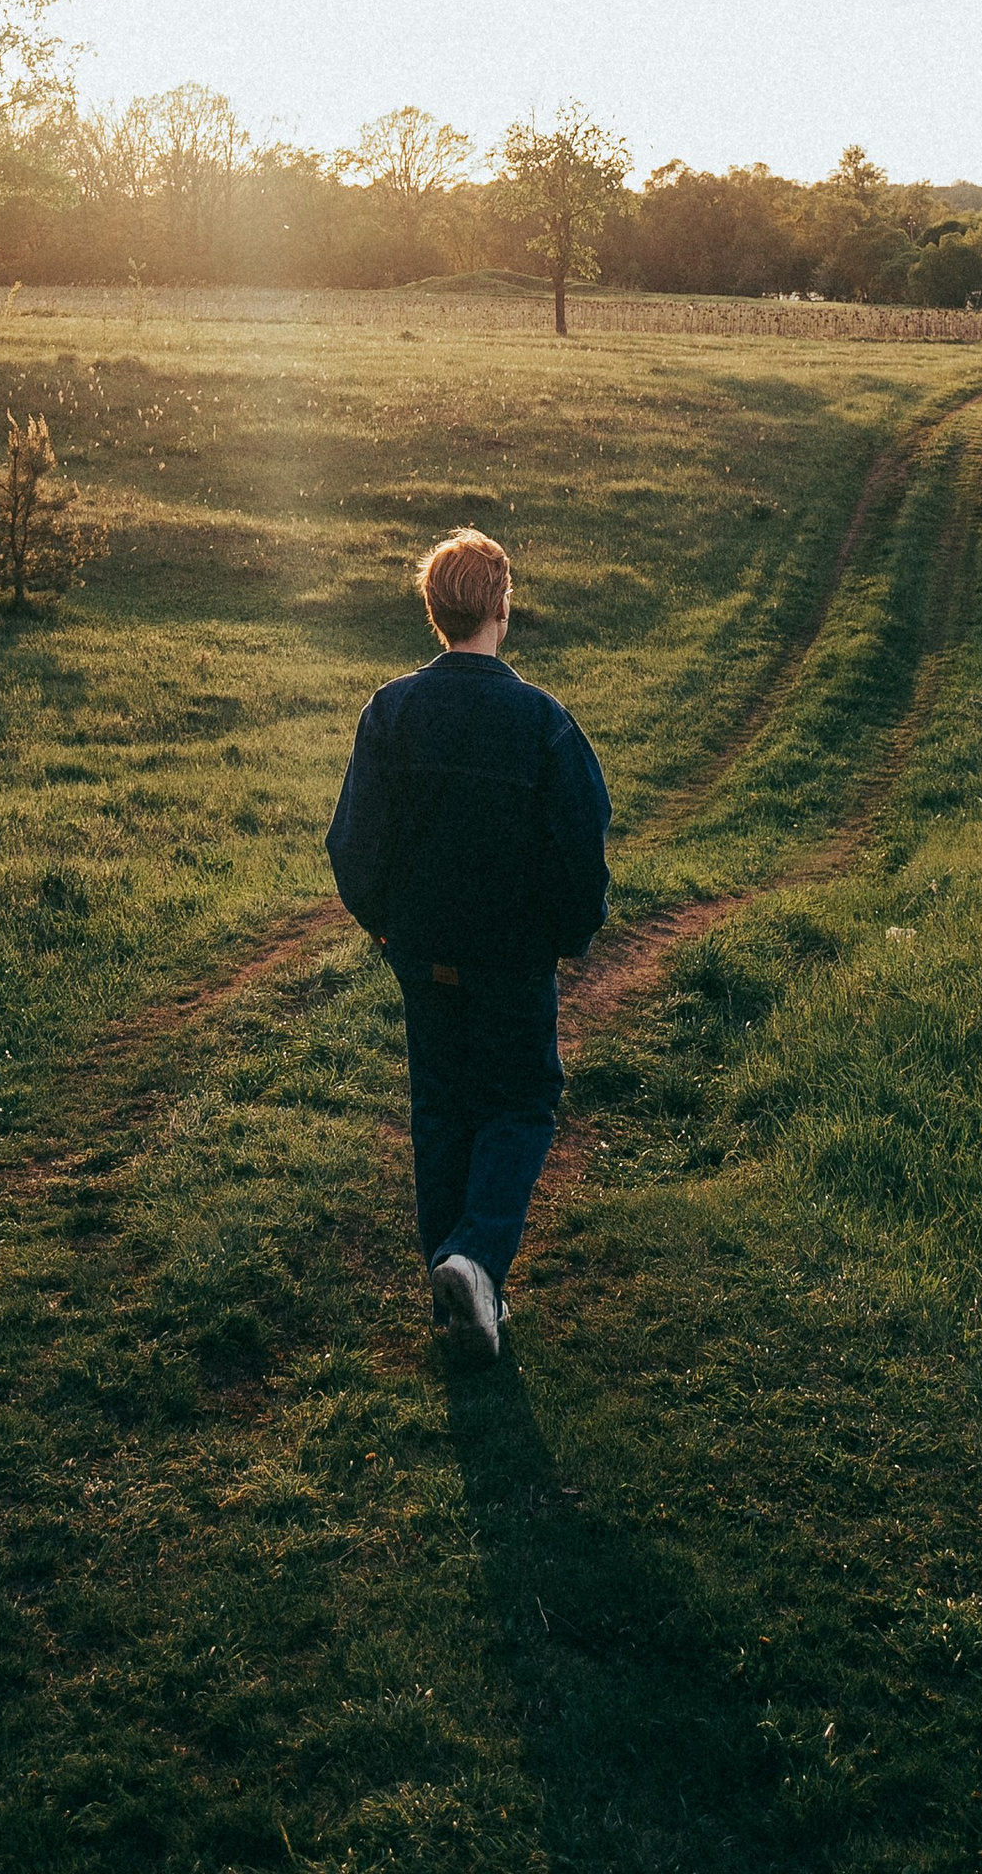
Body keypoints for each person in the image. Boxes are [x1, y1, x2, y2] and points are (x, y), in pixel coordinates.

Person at [326, 526, 611, 1363]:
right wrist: (570, 934)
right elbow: (581, 842)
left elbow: (352, 841)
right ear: (501, 608)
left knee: (441, 1107)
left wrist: (383, 923)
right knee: (520, 1100)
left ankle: (455, 1295)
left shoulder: (392, 711)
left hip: (421, 952)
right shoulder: (542, 723)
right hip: (512, 959)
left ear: (434, 611)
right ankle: (476, 1262)